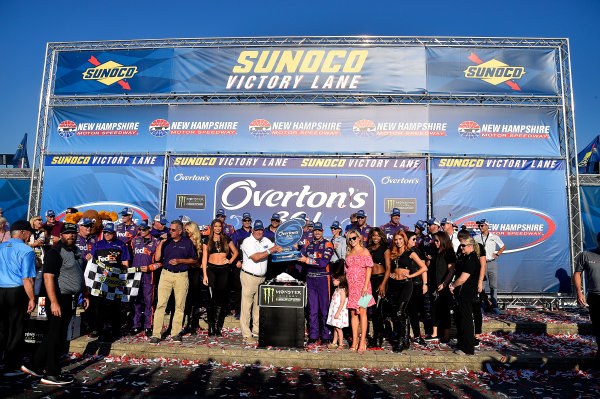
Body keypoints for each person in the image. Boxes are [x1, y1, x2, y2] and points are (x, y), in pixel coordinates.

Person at [22, 223, 88, 385]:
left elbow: (80, 273)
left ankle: (34, 365)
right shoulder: (55, 252)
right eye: (67, 233)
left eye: (73, 233)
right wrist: (54, 302)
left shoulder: (76, 251)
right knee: (56, 336)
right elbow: (48, 278)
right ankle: (51, 373)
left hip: (72, 297)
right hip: (58, 298)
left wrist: (85, 293)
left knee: (57, 334)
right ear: (61, 235)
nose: (71, 236)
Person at [150, 220, 198, 343]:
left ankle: (175, 333)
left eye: (173, 230)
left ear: (180, 231)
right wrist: (161, 243)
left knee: (179, 305)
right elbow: (157, 258)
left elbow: (194, 260)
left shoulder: (187, 242)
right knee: (161, 304)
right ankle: (156, 334)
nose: (170, 231)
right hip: (166, 274)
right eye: (170, 229)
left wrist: (180, 260)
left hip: (181, 276)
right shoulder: (167, 242)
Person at [0, 220, 35, 377]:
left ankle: (3, 361)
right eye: (29, 233)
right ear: (22, 232)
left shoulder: (0, 247)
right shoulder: (26, 250)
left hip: (1, 290)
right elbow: (27, 278)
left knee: (2, 327)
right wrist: (32, 298)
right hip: (16, 291)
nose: (30, 236)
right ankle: (11, 366)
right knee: (16, 328)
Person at [239, 220, 281, 344]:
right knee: (246, 306)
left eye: (261, 230)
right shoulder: (247, 241)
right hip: (249, 277)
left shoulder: (266, 241)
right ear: (252, 230)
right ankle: (246, 334)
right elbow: (256, 257)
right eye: (256, 230)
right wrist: (271, 250)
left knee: (258, 306)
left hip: (262, 277)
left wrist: (289, 246)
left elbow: (277, 247)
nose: (259, 232)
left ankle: (256, 330)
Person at [88, 222, 131, 341]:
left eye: (109, 232)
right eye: (105, 232)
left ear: (115, 233)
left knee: (115, 306)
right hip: (100, 280)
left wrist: (123, 276)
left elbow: (125, 264)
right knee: (98, 305)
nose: (107, 234)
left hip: (114, 280)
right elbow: (92, 262)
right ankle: (97, 329)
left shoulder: (121, 245)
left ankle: (115, 330)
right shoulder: (98, 244)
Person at [388, 230, 427, 352]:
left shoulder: (411, 252)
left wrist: (411, 276)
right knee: (401, 313)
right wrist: (390, 274)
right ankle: (405, 341)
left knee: (400, 312)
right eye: (396, 239)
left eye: (400, 239)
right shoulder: (392, 253)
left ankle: (401, 341)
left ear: (404, 240)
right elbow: (387, 268)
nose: (398, 242)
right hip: (395, 285)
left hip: (406, 285)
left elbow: (424, 267)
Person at [298, 222, 334, 344]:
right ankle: (313, 336)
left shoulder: (328, 244)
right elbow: (300, 258)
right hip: (310, 279)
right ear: (312, 231)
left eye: (319, 230)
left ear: (323, 231)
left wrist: (307, 260)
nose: (317, 232)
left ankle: (326, 336)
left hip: (323, 279)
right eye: (315, 230)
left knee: (324, 309)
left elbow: (323, 263)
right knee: (312, 310)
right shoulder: (309, 244)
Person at [202, 219, 238, 337]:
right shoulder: (207, 240)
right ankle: (210, 327)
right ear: (212, 227)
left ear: (222, 227)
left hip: (224, 270)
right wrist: (205, 275)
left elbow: (235, 252)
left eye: (219, 226)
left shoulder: (226, 239)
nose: (218, 228)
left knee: (220, 298)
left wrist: (230, 261)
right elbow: (204, 259)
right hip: (211, 270)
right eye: (215, 226)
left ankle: (217, 327)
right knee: (211, 298)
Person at [344, 229, 375, 353]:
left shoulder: (365, 251)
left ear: (359, 238)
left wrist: (365, 286)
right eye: (349, 239)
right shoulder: (348, 254)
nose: (352, 241)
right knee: (352, 313)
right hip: (352, 288)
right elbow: (346, 271)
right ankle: (355, 340)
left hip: (364, 287)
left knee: (362, 312)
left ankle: (363, 341)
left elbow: (369, 270)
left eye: (354, 238)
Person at [449, 236, 481, 355]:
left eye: (463, 245)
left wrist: (453, 285)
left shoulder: (472, 259)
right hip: (462, 293)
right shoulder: (466, 258)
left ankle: (468, 348)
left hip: (467, 293)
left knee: (466, 320)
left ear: (470, 246)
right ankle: (462, 344)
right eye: (460, 245)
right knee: (461, 319)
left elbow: (462, 279)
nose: (461, 248)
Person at [130, 220, 160, 336]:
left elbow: (160, 262)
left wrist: (150, 268)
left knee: (149, 302)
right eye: (140, 229)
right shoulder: (134, 241)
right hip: (136, 277)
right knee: (136, 302)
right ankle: (136, 325)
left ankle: (148, 325)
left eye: (144, 229)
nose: (141, 231)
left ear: (150, 229)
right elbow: (131, 256)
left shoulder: (156, 243)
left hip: (149, 277)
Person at [573, 231, 600, 358]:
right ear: (598, 242)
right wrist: (579, 292)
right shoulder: (586, 255)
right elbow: (577, 273)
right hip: (595, 297)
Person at [426, 231, 456, 342]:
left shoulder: (449, 252)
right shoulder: (434, 251)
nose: (436, 242)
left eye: (437, 241)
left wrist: (444, 284)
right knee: (434, 309)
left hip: (444, 285)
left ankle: (446, 335)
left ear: (443, 240)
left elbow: (451, 270)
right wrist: (428, 260)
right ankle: (434, 333)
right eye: (435, 240)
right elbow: (429, 267)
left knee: (444, 310)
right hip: (433, 284)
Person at [474, 219, 505, 314]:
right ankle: (481, 306)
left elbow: (503, 246)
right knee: (481, 286)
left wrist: (497, 254)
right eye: (479, 226)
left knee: (493, 285)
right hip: (481, 264)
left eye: (482, 225)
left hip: (491, 262)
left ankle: (495, 306)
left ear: (487, 226)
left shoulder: (494, 237)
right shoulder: (476, 238)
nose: (480, 227)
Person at [366, 227, 391, 348]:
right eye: (373, 236)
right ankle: (367, 335)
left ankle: (378, 338)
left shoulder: (385, 249)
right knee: (364, 307)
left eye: (377, 235)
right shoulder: (368, 249)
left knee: (377, 311)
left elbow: (388, 268)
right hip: (369, 281)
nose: (375, 238)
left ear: (381, 237)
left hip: (381, 280)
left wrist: (383, 284)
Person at [404, 231, 429, 345]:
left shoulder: (417, 251)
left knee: (414, 311)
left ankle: (417, 335)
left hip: (416, 284)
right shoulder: (401, 251)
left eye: (416, 239)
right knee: (404, 311)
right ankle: (404, 335)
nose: (415, 241)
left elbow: (423, 268)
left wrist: (425, 283)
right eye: (413, 239)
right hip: (403, 284)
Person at [230, 212, 253, 319]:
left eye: (249, 220)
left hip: (253, 264)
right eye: (245, 220)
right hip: (240, 264)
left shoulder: (255, 232)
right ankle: (238, 311)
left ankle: (250, 311)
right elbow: (232, 249)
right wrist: (236, 261)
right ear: (242, 221)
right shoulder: (237, 233)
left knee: (251, 289)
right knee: (239, 288)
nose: (247, 222)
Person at [183, 221, 203, 335]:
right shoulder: (184, 241)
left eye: (187, 230)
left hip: (195, 272)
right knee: (184, 297)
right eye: (185, 230)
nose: (186, 232)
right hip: (184, 271)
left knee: (193, 298)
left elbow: (199, 260)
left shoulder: (199, 243)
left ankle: (192, 324)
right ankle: (183, 322)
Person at [326, 273, 349, 349]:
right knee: (335, 327)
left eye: (334, 280)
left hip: (338, 311)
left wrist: (338, 312)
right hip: (334, 310)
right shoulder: (336, 290)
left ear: (340, 281)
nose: (333, 282)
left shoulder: (342, 291)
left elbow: (342, 302)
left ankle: (341, 344)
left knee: (338, 328)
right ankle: (334, 342)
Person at [28, 216, 46, 295]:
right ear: (33, 221)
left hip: (40, 257)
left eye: (41, 220)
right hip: (30, 257)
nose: (41, 221)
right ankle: (29, 295)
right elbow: (25, 244)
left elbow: (41, 242)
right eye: (39, 220)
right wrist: (34, 244)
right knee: (29, 277)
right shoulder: (28, 232)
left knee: (39, 277)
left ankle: (36, 295)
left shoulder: (43, 232)